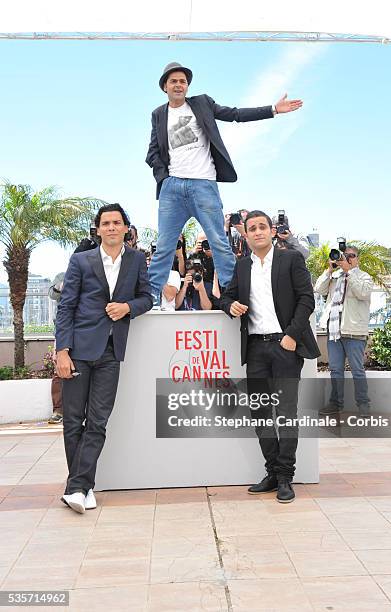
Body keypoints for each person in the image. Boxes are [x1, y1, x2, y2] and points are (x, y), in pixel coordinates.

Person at [146, 61, 303, 301]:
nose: (179, 85)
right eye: (173, 81)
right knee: (164, 247)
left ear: (187, 86)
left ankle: (232, 297)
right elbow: (153, 152)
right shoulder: (159, 114)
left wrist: (273, 109)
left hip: (203, 185)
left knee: (219, 242)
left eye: (183, 81)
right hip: (173, 188)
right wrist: (164, 179)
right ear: (164, 86)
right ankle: (149, 299)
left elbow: (235, 115)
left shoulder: (202, 104)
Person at [55, 203, 153, 514]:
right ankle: (82, 486)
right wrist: (62, 351)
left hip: (112, 352)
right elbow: (66, 307)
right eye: (105, 223)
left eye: (116, 222)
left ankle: (78, 487)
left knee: (97, 421)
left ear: (126, 228)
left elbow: (147, 298)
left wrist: (127, 308)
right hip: (79, 351)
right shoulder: (81, 261)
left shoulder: (137, 260)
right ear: (97, 229)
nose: (111, 227)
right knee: (73, 421)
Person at [220, 210, 319, 502]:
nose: (258, 232)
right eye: (252, 228)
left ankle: (286, 476)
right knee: (261, 413)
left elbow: (306, 299)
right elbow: (226, 296)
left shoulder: (291, 259)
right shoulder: (242, 266)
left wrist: (291, 334)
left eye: (262, 227)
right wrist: (231, 306)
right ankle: (273, 472)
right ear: (245, 234)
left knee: (286, 413)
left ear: (272, 231)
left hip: (285, 346)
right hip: (255, 349)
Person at [314, 245, 374, 417]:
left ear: (358, 259)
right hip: (334, 331)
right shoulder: (335, 276)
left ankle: (364, 406)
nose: (347, 258)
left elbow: (362, 292)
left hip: (354, 331)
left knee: (357, 369)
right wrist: (329, 270)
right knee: (336, 370)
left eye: (351, 255)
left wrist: (350, 272)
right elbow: (318, 289)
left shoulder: (363, 277)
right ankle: (336, 404)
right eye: (344, 255)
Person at [48, 272, 65, 425]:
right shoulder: (63, 275)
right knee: (58, 370)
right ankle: (58, 410)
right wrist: (61, 286)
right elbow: (52, 293)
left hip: (85, 331)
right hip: (62, 330)